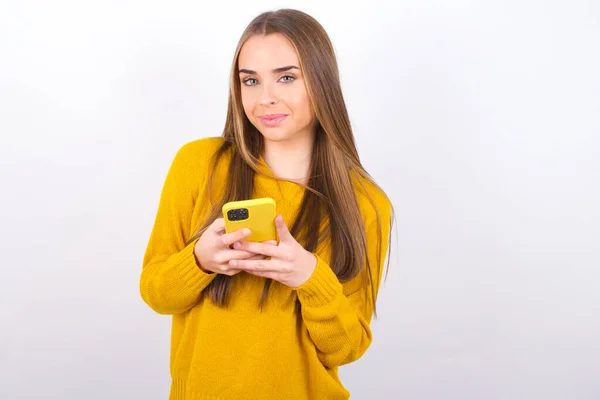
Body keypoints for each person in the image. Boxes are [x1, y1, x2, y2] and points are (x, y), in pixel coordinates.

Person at [140, 8, 394, 400]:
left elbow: (347, 347)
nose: (265, 99)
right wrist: (199, 261)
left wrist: (310, 277)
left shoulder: (365, 202)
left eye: (287, 77)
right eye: (251, 81)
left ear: (322, 82)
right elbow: (156, 293)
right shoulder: (199, 164)